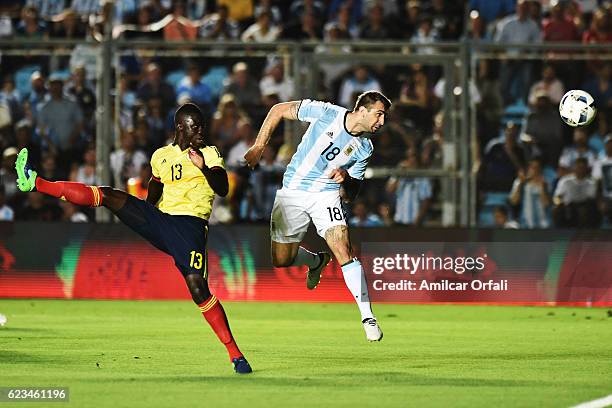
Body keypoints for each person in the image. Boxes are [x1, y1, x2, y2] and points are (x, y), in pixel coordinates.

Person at [15, 103, 252, 374]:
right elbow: (155, 186)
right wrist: (143, 212)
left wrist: (202, 168)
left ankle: (236, 355)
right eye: (194, 126)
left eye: (202, 126)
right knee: (109, 195)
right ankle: (36, 182)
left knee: (198, 289)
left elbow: (222, 189)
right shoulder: (161, 156)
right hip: (161, 219)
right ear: (180, 127)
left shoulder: (210, 154)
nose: (200, 131)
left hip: (190, 227)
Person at [244, 91, 391, 342]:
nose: (381, 122)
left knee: (343, 249)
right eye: (379, 114)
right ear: (363, 110)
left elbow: (352, 192)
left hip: (326, 195)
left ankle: (368, 317)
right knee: (281, 259)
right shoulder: (326, 112)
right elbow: (279, 109)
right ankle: (315, 262)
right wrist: (259, 146)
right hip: (293, 191)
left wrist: (346, 179)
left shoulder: (364, 148)